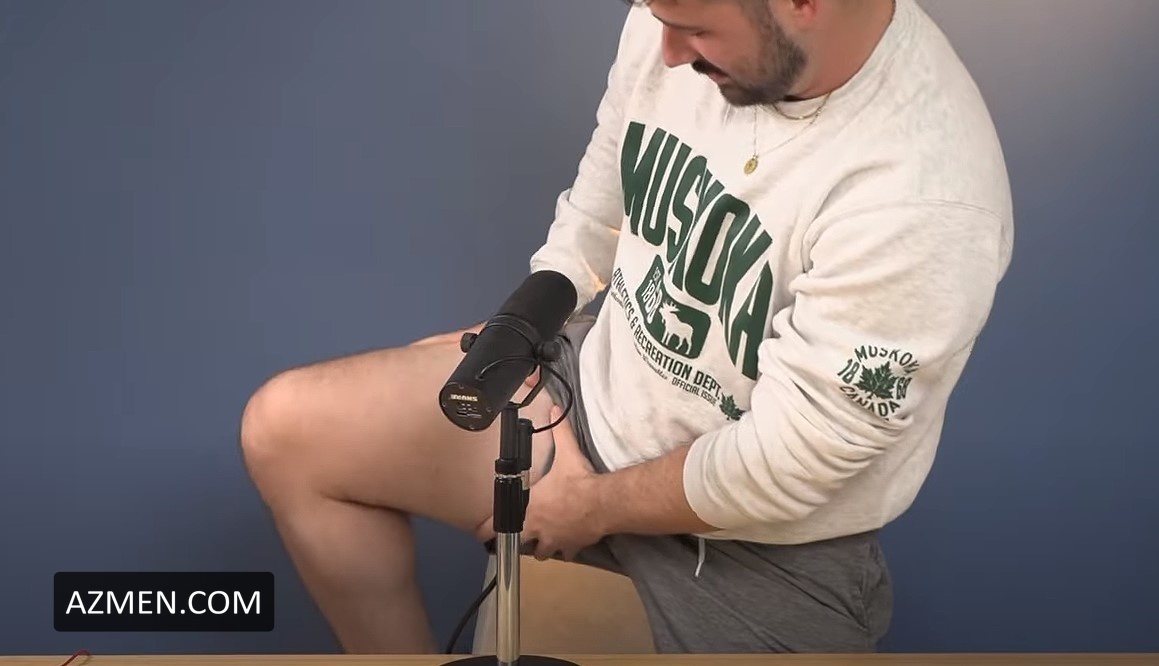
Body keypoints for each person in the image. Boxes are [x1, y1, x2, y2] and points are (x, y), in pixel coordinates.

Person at [240, 0, 1013, 655]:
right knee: (290, 430)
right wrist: (524, 327)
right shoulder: (669, 21)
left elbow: (789, 461)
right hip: (584, 412)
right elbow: (597, 208)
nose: (664, 48)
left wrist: (590, 506)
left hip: (761, 542)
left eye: (693, 28)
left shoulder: (925, 195)